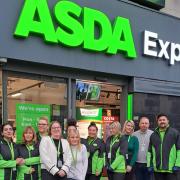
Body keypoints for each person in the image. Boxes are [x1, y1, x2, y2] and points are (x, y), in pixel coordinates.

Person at [147, 113, 180, 180]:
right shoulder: (153, 135)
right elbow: (149, 152)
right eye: (160, 120)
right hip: (157, 170)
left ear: (168, 121)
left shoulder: (175, 133)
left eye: (164, 120)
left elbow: (179, 150)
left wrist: (178, 164)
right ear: (157, 122)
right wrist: (149, 165)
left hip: (171, 169)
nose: (162, 121)